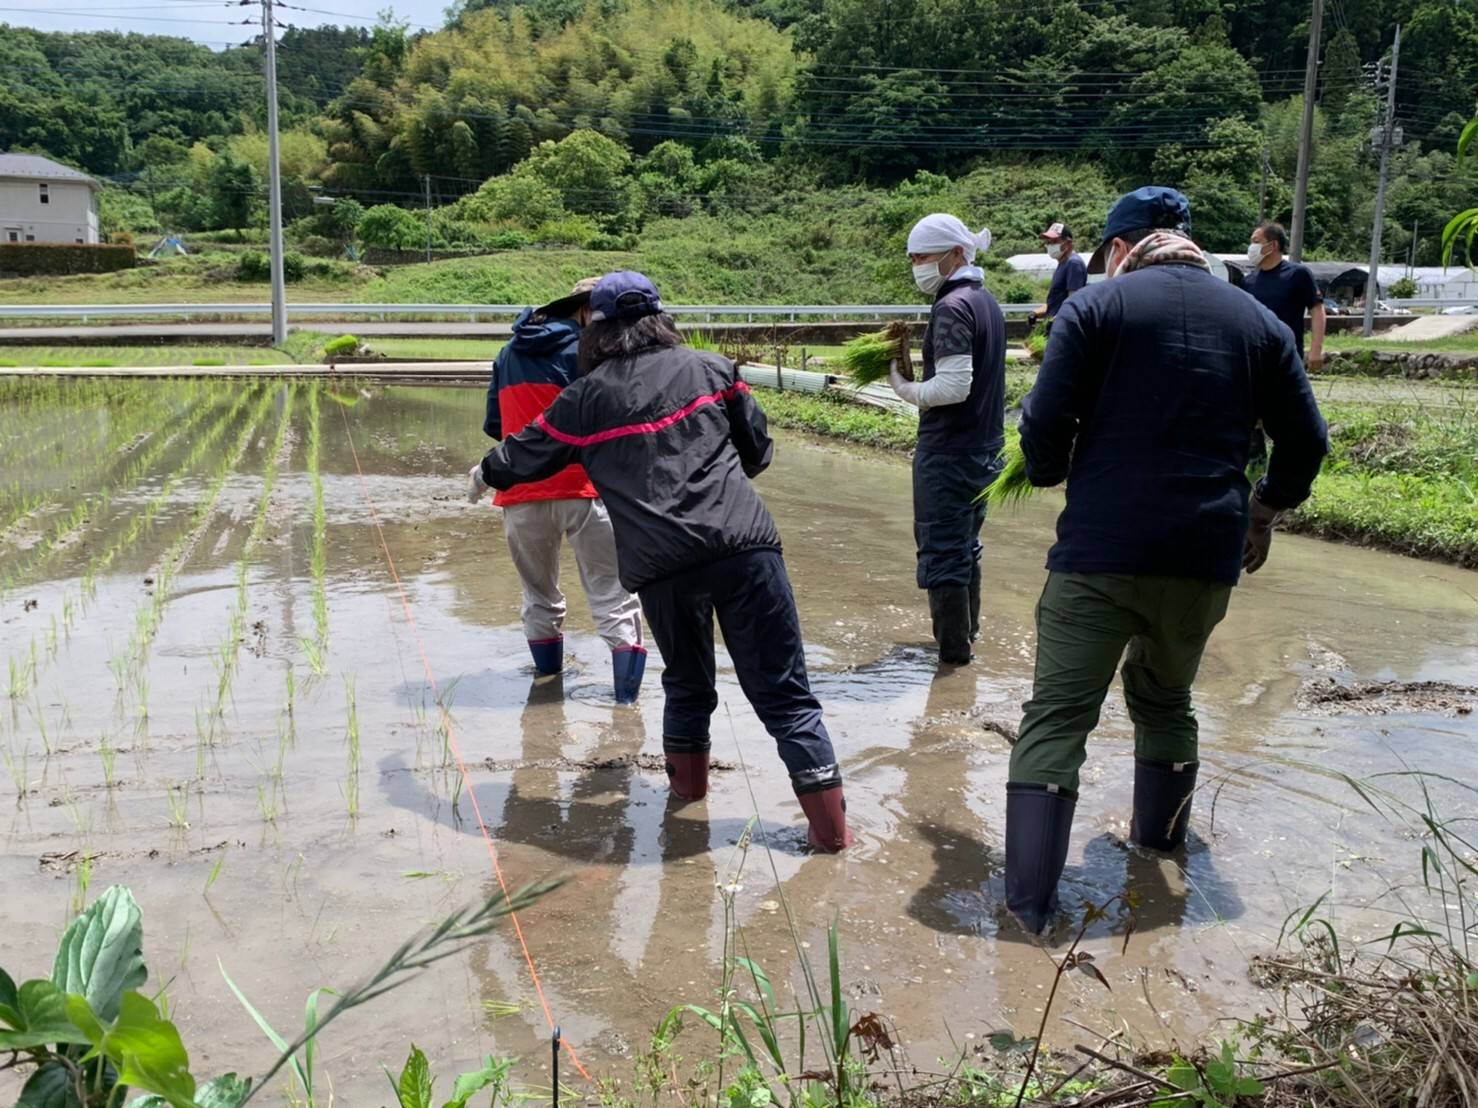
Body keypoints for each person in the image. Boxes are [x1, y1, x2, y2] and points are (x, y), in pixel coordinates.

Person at [1004, 187, 1329, 933]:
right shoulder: (1256, 321)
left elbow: (1043, 442)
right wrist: (1264, 509)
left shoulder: (1095, 309)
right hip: (1206, 556)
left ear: (1118, 250)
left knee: (1057, 717)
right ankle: (1159, 852)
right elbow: (1307, 444)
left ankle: (1028, 913)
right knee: (1166, 702)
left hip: (1102, 552)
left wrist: (1056, 462)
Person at [468, 271, 853, 852]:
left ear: (594, 328)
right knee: (784, 695)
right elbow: (758, 452)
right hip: (744, 545)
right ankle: (834, 840)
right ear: (661, 319)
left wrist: (484, 472)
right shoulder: (712, 369)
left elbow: (526, 452)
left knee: (687, 683)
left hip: (661, 561)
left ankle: (686, 806)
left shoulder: (586, 397)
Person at [474, 278, 647, 703]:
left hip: (521, 495)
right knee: (613, 597)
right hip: (586, 491)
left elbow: (496, 427)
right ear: (586, 311)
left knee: (539, 598)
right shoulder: (589, 354)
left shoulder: (508, 353)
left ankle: (547, 692)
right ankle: (626, 706)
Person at [888, 214, 1008, 667]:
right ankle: (966, 639)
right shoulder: (986, 301)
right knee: (965, 547)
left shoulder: (953, 307)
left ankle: (953, 658)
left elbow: (952, 388)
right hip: (985, 449)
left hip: (951, 453)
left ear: (956, 254)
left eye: (923, 256)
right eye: (913, 257)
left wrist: (903, 388)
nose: (917, 264)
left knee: (943, 553)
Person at [1244, 222, 1326, 372]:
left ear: (1273, 245)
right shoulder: (1248, 281)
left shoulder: (1298, 274)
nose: (1251, 247)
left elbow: (1317, 310)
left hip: (1288, 357)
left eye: (1256, 242)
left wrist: (1316, 350)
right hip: (1255, 358)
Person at [1029, 222, 1087, 326]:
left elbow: (1073, 302)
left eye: (1055, 241)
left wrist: (1057, 321)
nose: (1050, 245)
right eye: (1048, 242)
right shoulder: (1062, 264)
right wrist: (1035, 313)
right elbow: (1054, 303)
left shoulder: (1073, 263)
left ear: (1068, 243)